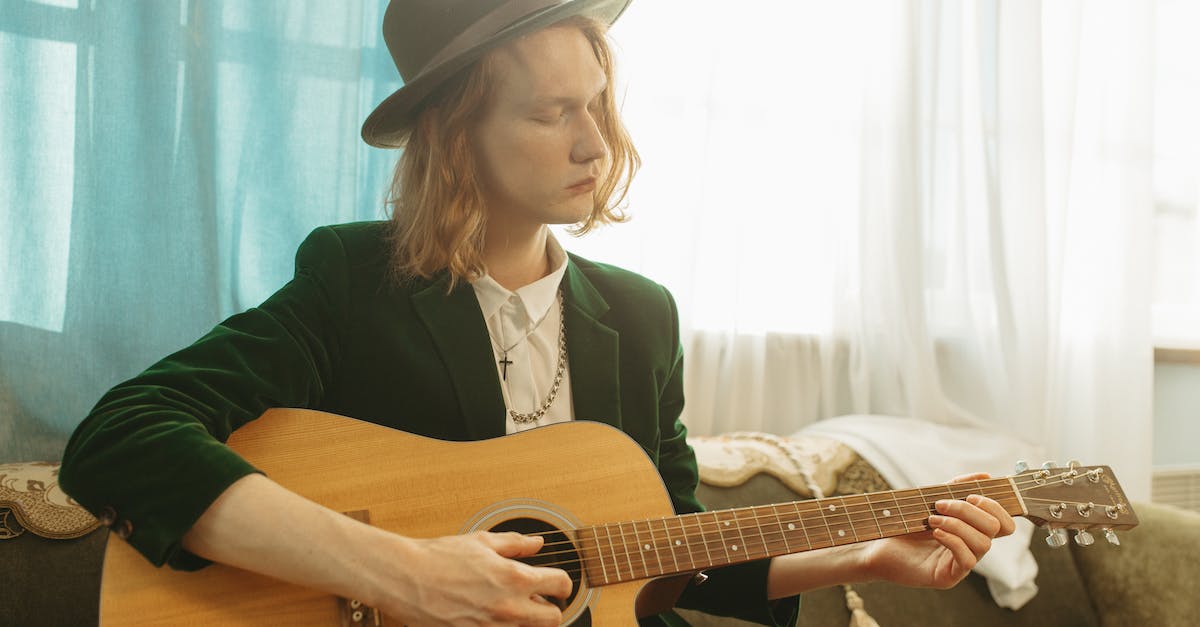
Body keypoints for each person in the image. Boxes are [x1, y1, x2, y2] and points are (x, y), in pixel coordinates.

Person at [60, 1, 1016, 625]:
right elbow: (122, 436)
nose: (596, 141)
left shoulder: (642, 319)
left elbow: (666, 551)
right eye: (549, 112)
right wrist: (403, 570)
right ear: (457, 137)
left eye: (597, 103)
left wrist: (872, 552)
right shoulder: (353, 279)